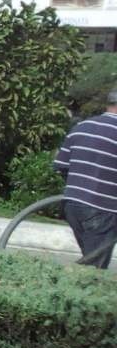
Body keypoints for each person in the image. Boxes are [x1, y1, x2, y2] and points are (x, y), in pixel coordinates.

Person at [53, 87, 117, 269]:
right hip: (101, 209)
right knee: (94, 269)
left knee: (90, 260)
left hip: (73, 206)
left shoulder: (81, 127)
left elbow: (61, 165)